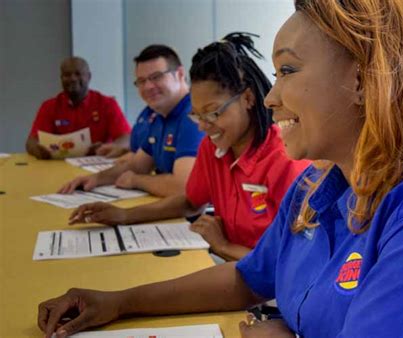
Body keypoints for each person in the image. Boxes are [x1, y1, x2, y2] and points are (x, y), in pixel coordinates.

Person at [38, 1, 403, 337]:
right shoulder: (315, 187)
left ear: (364, 79)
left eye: (287, 70)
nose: (270, 97)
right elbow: (247, 279)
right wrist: (118, 302)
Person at [68, 33, 311, 261]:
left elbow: (293, 263)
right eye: (197, 116)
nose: (204, 126)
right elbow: (190, 202)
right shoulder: (213, 147)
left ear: (247, 98)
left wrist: (223, 246)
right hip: (228, 266)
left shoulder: (286, 159)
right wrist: (124, 216)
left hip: (268, 290)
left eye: (213, 113)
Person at [58, 46, 205, 197]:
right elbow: (137, 165)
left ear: (179, 74)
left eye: (156, 77)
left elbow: (183, 187)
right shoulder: (159, 116)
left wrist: (137, 181)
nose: (148, 86)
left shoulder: (192, 116)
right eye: (141, 81)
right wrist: (94, 179)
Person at [26, 57, 131, 160]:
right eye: (67, 75)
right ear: (61, 78)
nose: (73, 78)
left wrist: (111, 147)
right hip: (59, 167)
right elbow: (31, 141)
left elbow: (126, 138)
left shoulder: (107, 104)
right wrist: (39, 151)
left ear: (89, 76)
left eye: (78, 74)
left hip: (97, 165)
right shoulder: (49, 106)